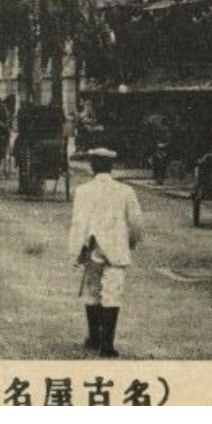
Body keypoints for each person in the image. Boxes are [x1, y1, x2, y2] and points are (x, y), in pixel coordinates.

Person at [68, 147, 144, 357]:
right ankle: (107, 345)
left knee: (93, 291)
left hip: (92, 247)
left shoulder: (83, 190)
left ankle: (94, 338)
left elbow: (78, 223)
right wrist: (131, 242)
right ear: (112, 166)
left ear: (92, 165)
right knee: (112, 293)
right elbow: (136, 223)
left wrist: (76, 251)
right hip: (117, 247)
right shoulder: (125, 191)